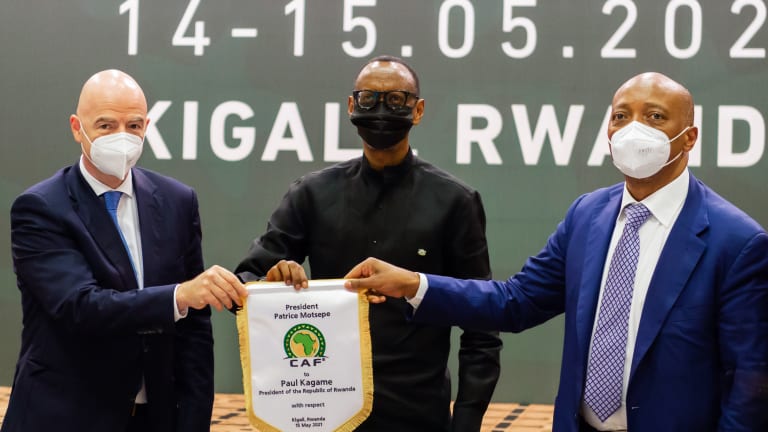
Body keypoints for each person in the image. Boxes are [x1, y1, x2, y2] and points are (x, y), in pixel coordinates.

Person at [344, 72, 768, 431]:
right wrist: (414, 284)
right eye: (621, 116)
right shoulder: (588, 216)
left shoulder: (737, 242)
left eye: (654, 116)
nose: (632, 128)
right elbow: (516, 302)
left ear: (688, 137)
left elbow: (750, 382)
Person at [235, 55, 502, 431]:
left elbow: (481, 325)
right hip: (323, 410)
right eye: (368, 99)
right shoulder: (311, 194)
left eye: (396, 100)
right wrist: (270, 283)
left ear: (418, 109)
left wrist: (467, 421)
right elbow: (245, 283)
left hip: (418, 414)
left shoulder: (455, 201)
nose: (380, 110)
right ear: (350, 105)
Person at [2, 70, 248, 432]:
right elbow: (80, 307)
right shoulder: (41, 207)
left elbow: (195, 331)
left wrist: (194, 419)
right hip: (65, 415)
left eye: (133, 125)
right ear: (76, 127)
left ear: (147, 125)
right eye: (105, 125)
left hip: (155, 418)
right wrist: (179, 296)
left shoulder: (177, 201)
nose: (122, 136)